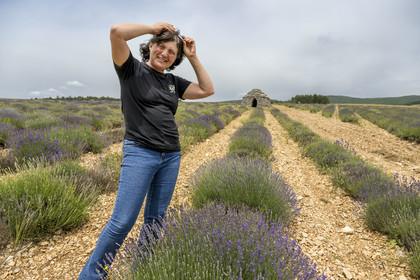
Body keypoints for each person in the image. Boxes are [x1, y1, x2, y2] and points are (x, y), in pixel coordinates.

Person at [78, 22, 214, 280]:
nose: (165, 53)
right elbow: (116, 32)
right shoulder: (131, 70)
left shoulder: (174, 81)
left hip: (171, 156)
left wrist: (193, 57)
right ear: (150, 46)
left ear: (176, 59)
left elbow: (207, 89)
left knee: (156, 220)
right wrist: (152, 27)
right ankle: (91, 277)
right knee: (121, 222)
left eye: (172, 52)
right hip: (140, 153)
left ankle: (143, 270)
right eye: (160, 46)